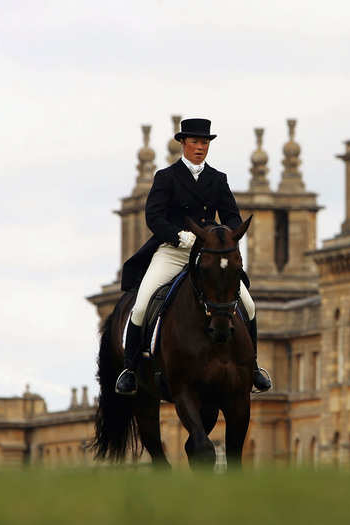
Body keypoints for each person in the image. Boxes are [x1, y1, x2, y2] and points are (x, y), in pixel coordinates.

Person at [115, 118, 272, 396]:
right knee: (141, 304)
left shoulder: (217, 179)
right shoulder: (166, 177)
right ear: (183, 144)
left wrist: (224, 234)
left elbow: (232, 215)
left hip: (206, 253)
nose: (200, 147)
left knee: (248, 305)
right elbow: (154, 216)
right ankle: (130, 369)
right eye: (195, 142)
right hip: (173, 251)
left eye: (204, 142)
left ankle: (254, 367)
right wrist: (177, 235)